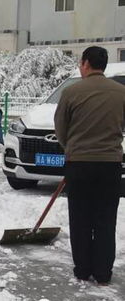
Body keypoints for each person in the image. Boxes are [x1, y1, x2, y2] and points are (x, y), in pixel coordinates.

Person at [54, 46, 125, 285]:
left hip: (80, 165)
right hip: (110, 165)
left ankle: (83, 269)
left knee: (81, 218)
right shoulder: (120, 92)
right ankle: (103, 273)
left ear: (85, 63)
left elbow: (61, 129)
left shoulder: (71, 92)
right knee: (105, 219)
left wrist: (72, 148)